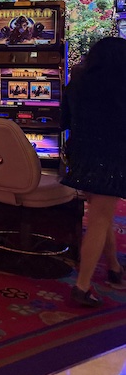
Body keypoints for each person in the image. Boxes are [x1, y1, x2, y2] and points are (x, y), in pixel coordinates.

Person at [62, 36, 126, 307]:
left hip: (80, 154)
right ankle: (82, 286)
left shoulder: (78, 82)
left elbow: (64, 119)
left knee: (101, 212)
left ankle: (113, 267)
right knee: (100, 217)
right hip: (111, 157)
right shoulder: (121, 86)